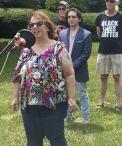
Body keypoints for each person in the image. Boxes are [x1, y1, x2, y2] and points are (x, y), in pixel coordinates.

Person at [11, 11, 79, 145]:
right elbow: (18, 76)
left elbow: (69, 73)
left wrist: (72, 97)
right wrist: (15, 97)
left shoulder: (59, 48)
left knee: (56, 138)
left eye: (39, 23)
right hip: (29, 104)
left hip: (54, 104)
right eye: (32, 24)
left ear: (48, 27)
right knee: (33, 139)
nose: (35, 27)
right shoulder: (26, 50)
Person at [95, 0, 122, 110]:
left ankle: (118, 104)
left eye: (111, 1)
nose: (108, 3)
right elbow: (99, 34)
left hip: (117, 52)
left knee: (117, 77)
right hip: (103, 51)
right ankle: (102, 101)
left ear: (116, 3)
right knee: (103, 77)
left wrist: (119, 46)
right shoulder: (100, 16)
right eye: (107, 0)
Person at [58, 8, 92, 124]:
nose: (71, 19)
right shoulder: (62, 34)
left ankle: (86, 118)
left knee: (82, 94)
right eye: (69, 17)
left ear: (79, 19)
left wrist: (72, 66)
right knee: (66, 94)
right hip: (65, 70)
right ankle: (67, 116)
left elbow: (86, 53)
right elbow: (59, 51)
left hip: (79, 69)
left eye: (73, 17)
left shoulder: (86, 34)